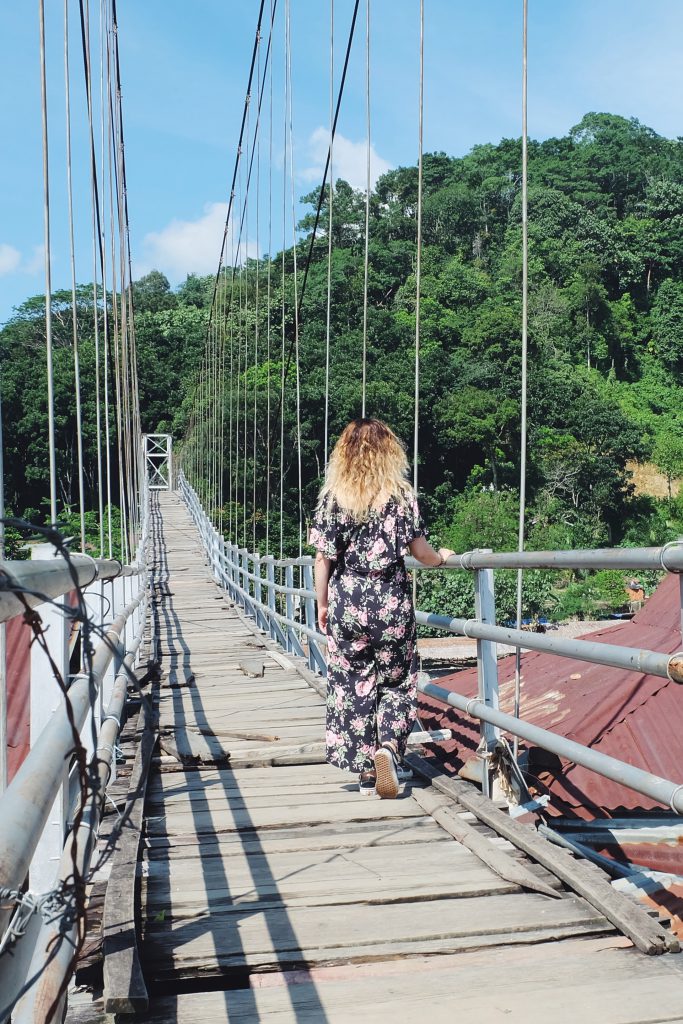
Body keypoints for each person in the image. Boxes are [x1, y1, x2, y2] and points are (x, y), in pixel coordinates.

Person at [310, 418, 454, 798]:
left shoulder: (333, 497)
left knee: (352, 685)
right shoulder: (401, 497)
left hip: (348, 603)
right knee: (397, 680)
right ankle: (388, 748)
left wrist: (322, 605)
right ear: (391, 453)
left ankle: (366, 772)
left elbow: (323, 559)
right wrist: (442, 558)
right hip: (390, 601)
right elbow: (421, 553)